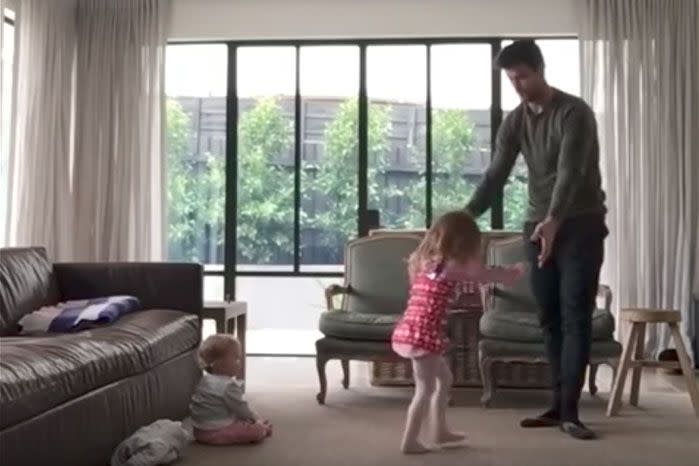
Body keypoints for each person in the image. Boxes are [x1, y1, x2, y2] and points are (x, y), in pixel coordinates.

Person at [465, 40, 608, 440]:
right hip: (536, 227)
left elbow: (571, 172)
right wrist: (464, 217)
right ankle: (556, 406)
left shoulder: (574, 112)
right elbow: (495, 175)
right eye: (511, 79)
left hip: (579, 224)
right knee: (549, 319)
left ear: (541, 70)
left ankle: (572, 413)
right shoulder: (515, 121)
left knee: (575, 315)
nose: (518, 85)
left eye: (523, 76)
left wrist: (554, 220)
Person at [392, 211, 524, 454]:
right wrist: (509, 274)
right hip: (422, 335)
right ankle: (410, 441)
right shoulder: (450, 267)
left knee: (445, 379)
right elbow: (481, 274)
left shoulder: (427, 262)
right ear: (463, 243)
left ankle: (439, 431)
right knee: (425, 389)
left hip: (414, 331)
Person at [189, 334, 272, 445]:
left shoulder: (204, 380)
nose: (240, 363)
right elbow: (242, 409)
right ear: (219, 363)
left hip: (199, 431)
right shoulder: (229, 386)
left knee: (238, 418)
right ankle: (263, 428)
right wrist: (256, 418)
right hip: (217, 431)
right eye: (236, 359)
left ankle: (252, 425)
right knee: (255, 431)